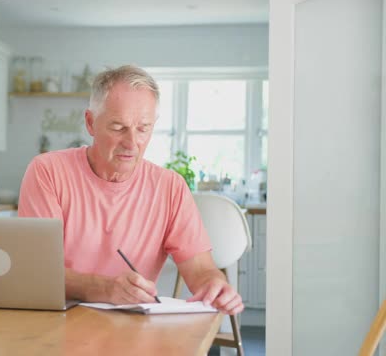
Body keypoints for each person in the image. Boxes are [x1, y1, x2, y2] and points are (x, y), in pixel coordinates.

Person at [17, 65, 243, 315]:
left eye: (143, 128)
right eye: (118, 127)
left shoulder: (170, 187)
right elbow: (37, 270)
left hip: (130, 326)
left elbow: (200, 270)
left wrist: (215, 285)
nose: (131, 142)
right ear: (90, 123)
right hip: (56, 319)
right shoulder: (47, 171)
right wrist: (105, 289)